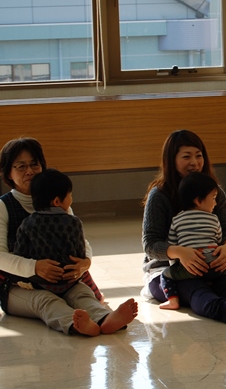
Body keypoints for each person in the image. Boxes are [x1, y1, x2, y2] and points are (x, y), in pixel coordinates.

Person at [0, 138, 138, 336]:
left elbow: (82, 241)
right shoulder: (3, 206)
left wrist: (85, 262)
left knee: (81, 293)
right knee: (45, 301)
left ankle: (105, 319)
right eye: (21, 166)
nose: (29, 171)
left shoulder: (58, 202)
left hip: (62, 282)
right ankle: (75, 324)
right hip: (19, 287)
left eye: (34, 164)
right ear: (8, 173)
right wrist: (34, 267)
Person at [141, 130, 226, 323]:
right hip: (167, 271)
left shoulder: (215, 192)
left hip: (208, 264)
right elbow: (150, 245)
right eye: (186, 156)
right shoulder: (160, 194)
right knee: (194, 288)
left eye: (199, 155)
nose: (194, 162)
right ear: (172, 160)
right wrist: (181, 253)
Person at [159, 171, 226, 310]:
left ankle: (173, 301)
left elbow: (172, 243)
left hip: (190, 268)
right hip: (215, 263)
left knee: (165, 275)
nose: (216, 203)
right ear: (198, 200)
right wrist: (223, 249)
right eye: (214, 198)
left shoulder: (176, 220)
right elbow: (219, 239)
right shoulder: (214, 219)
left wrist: (180, 263)